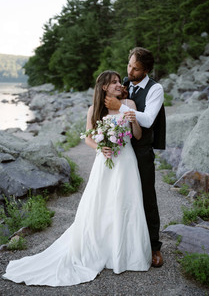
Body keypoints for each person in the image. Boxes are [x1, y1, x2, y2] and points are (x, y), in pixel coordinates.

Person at [2, 70, 151, 287]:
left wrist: (133, 120)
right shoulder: (94, 109)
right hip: (105, 161)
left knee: (126, 202)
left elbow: (137, 135)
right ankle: (102, 247)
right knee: (102, 203)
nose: (120, 84)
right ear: (104, 87)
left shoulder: (129, 103)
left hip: (126, 161)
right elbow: (89, 139)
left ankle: (127, 253)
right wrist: (102, 147)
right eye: (115, 82)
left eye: (120, 81)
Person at [105, 48, 166, 267]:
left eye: (136, 68)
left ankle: (153, 247)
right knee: (120, 195)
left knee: (147, 196)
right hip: (122, 150)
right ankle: (122, 241)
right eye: (129, 65)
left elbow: (149, 119)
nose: (130, 71)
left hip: (141, 149)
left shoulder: (155, 89)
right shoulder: (124, 84)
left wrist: (119, 106)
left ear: (146, 70)